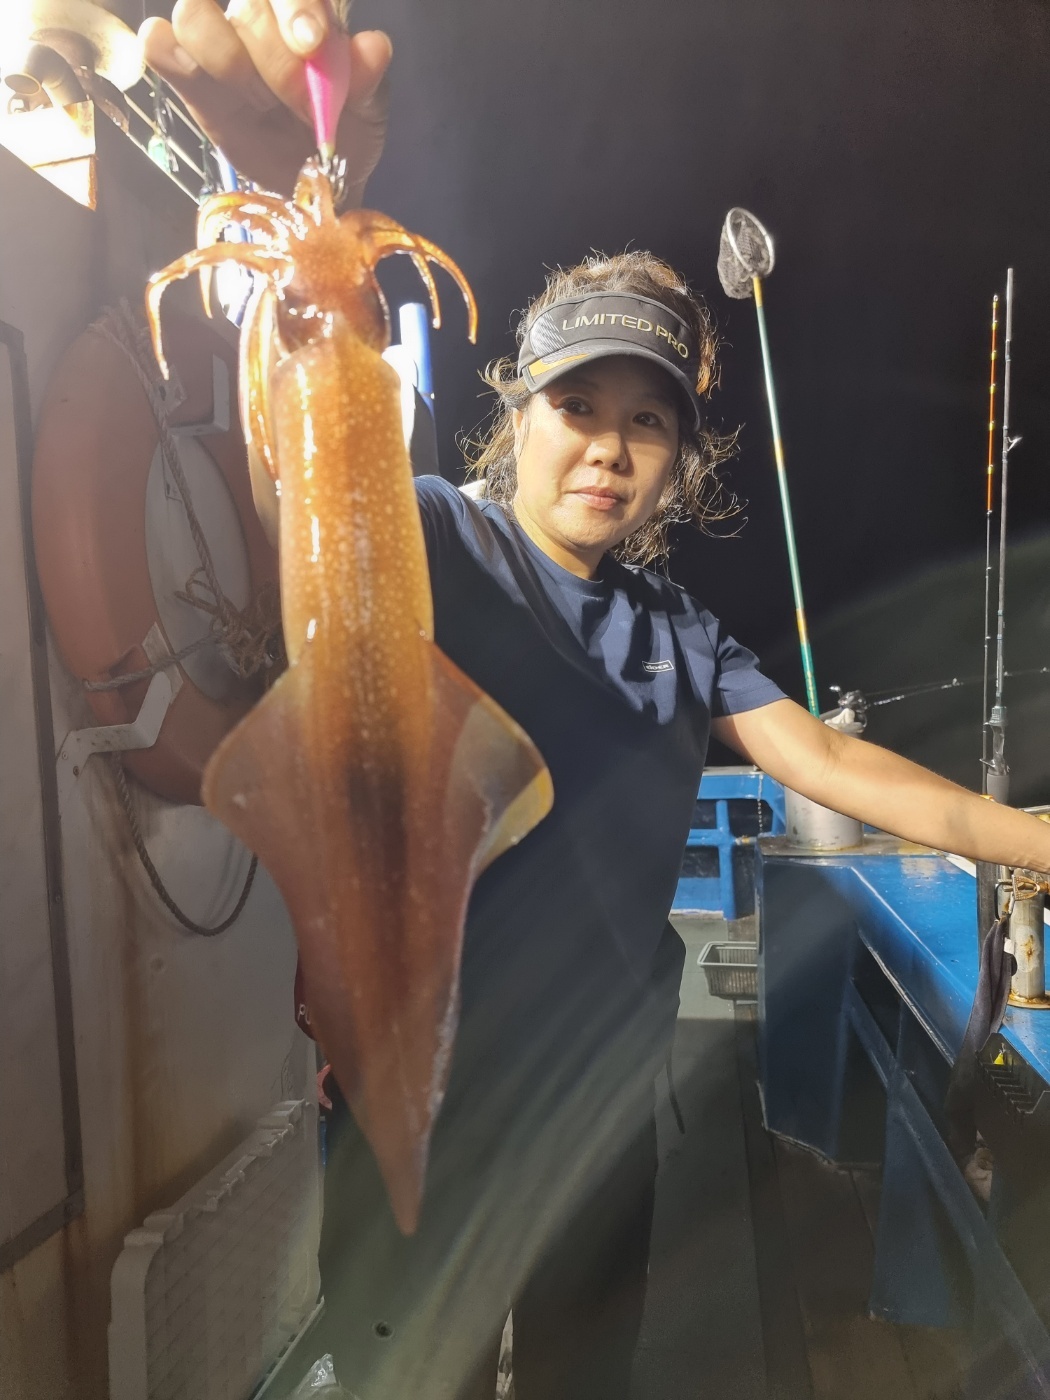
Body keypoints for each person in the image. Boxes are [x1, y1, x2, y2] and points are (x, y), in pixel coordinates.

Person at [143, 7, 1050, 1397]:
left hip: (595, 1112)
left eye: (648, 419)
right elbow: (306, 478)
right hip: (418, 1072)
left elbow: (830, 763)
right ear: (518, 412)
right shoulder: (433, 538)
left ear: (680, 459)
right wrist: (286, 239)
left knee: (584, 1369)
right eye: (577, 405)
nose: (610, 448)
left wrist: (1028, 836)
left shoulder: (682, 636)